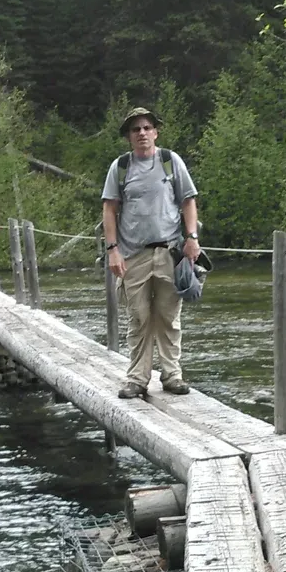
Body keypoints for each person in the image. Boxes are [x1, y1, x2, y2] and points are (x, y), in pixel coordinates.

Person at [101, 106, 202, 399]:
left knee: (169, 317)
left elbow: (188, 200)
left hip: (170, 252)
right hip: (133, 255)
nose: (142, 133)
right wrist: (112, 251)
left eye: (147, 128)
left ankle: (172, 375)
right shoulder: (120, 167)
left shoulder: (171, 161)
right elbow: (109, 209)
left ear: (155, 132)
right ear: (129, 137)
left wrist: (192, 237)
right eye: (136, 129)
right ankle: (137, 379)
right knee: (139, 318)